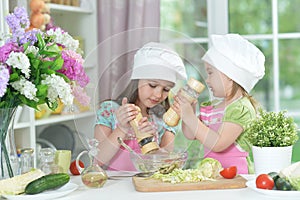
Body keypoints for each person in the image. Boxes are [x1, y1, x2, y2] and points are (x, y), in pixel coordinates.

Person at [171, 34, 265, 174]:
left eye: (210, 73)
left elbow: (218, 144)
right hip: (212, 175)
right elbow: (191, 134)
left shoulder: (242, 109)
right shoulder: (211, 107)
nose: (207, 80)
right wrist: (188, 111)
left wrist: (190, 117)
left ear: (230, 76)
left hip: (237, 178)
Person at [94, 42, 187, 171]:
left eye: (166, 89)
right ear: (137, 79)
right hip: (112, 186)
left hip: (147, 184)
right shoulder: (109, 110)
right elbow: (99, 159)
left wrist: (149, 142)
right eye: (153, 85)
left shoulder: (164, 120)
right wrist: (121, 128)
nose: (158, 94)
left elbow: (164, 165)